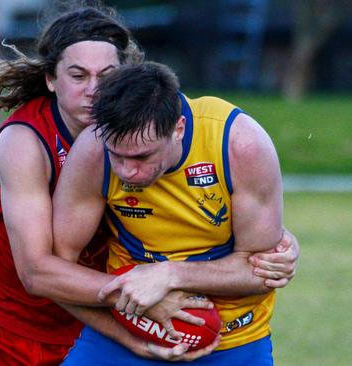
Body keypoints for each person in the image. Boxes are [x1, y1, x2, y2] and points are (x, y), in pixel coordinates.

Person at [0, 6, 299, 366]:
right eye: (78, 76)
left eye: (106, 75)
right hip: (2, 322)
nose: (93, 91)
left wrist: (274, 243)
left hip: (86, 322)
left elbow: (200, 214)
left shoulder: (158, 130)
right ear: (51, 79)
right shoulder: (28, 142)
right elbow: (37, 270)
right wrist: (141, 295)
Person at [52, 61, 290, 365]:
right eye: (117, 155)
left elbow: (262, 273)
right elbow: (55, 271)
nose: (127, 171)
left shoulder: (240, 144)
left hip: (232, 336)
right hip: (132, 325)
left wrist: (168, 275)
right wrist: (123, 333)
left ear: (178, 128)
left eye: (142, 156)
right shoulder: (94, 151)